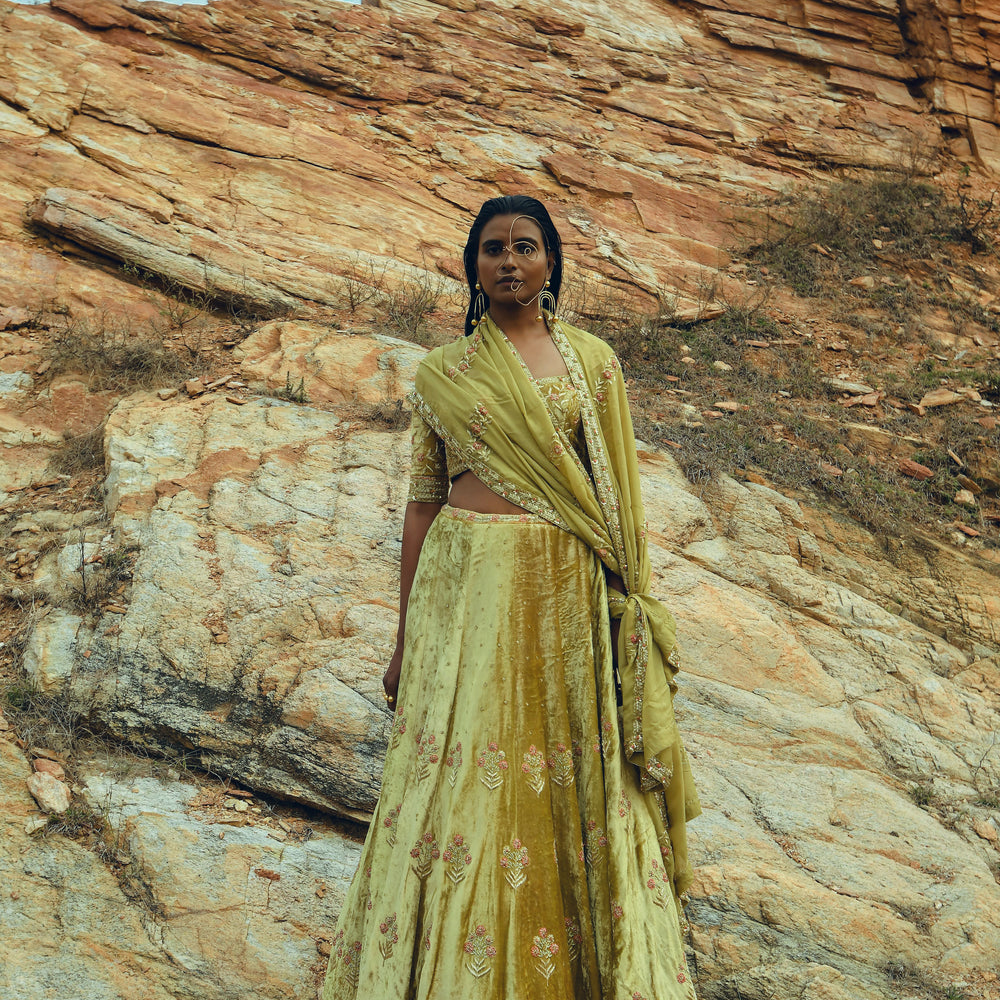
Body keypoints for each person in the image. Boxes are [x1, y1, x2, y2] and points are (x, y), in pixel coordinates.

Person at [321, 195, 700, 1000]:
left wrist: (624, 609)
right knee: (457, 778)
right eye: (492, 248)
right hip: (462, 589)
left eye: (525, 247)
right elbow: (423, 503)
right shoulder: (443, 373)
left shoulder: (593, 364)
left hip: (560, 587)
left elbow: (616, 498)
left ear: (550, 263)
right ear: (473, 265)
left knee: (561, 777)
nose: (509, 261)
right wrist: (402, 640)